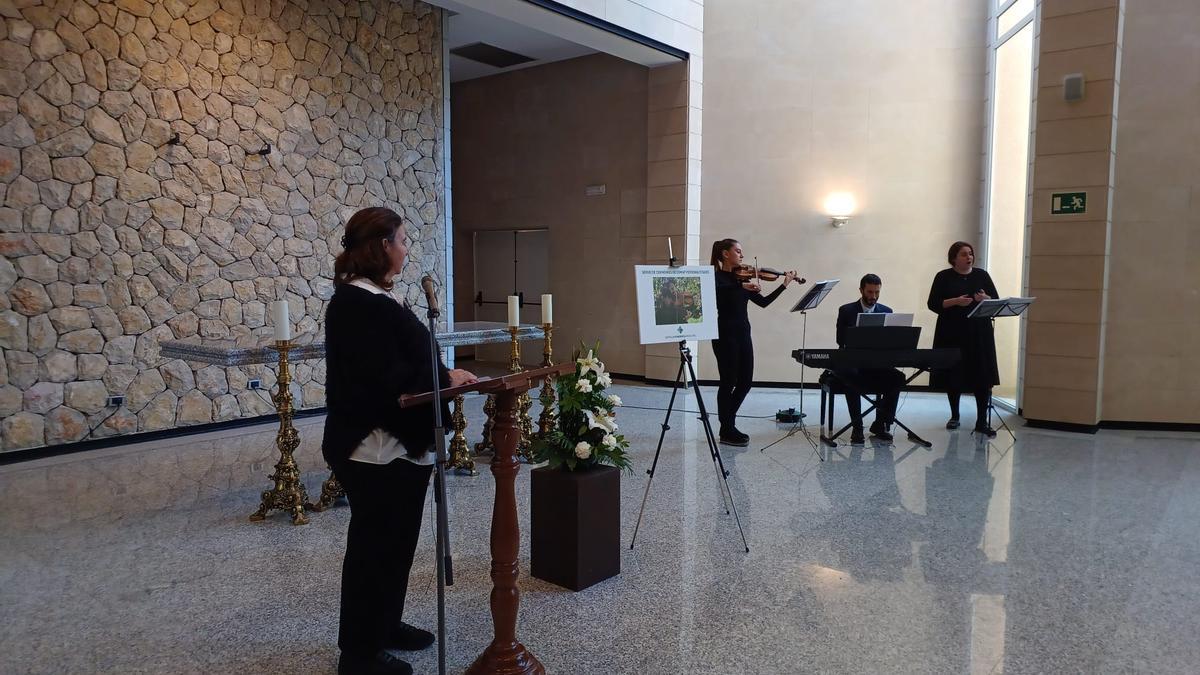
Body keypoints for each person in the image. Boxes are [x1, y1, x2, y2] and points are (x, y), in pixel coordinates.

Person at [322, 207, 478, 675]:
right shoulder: (355, 303)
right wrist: (447, 375)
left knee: (398, 544)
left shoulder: (376, 298)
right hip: (375, 447)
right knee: (375, 548)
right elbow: (383, 375)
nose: (408, 249)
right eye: (403, 240)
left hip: (399, 445)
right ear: (382, 246)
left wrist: (442, 377)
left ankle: (384, 625)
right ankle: (358, 652)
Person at [710, 238, 798, 446]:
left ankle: (726, 425)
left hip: (743, 334)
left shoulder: (741, 279)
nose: (742, 255)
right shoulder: (716, 278)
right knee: (727, 382)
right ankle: (728, 429)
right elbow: (718, 293)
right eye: (738, 251)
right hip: (724, 334)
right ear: (725, 253)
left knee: (745, 382)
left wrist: (784, 284)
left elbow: (764, 303)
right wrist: (741, 286)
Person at [926, 241, 1000, 437]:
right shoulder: (943, 276)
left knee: (981, 375)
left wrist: (986, 298)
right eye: (964, 254)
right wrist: (956, 301)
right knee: (954, 374)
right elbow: (933, 304)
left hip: (979, 332)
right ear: (953, 259)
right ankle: (955, 415)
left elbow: (996, 299)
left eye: (971, 254)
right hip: (951, 331)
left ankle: (981, 420)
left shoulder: (981, 275)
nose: (969, 257)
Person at [833, 274, 905, 444]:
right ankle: (857, 427)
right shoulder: (846, 310)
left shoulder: (887, 311)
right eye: (870, 292)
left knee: (897, 377)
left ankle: (881, 424)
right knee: (851, 376)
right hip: (853, 361)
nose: (873, 296)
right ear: (861, 290)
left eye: (877, 292)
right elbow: (840, 340)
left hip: (876, 363)